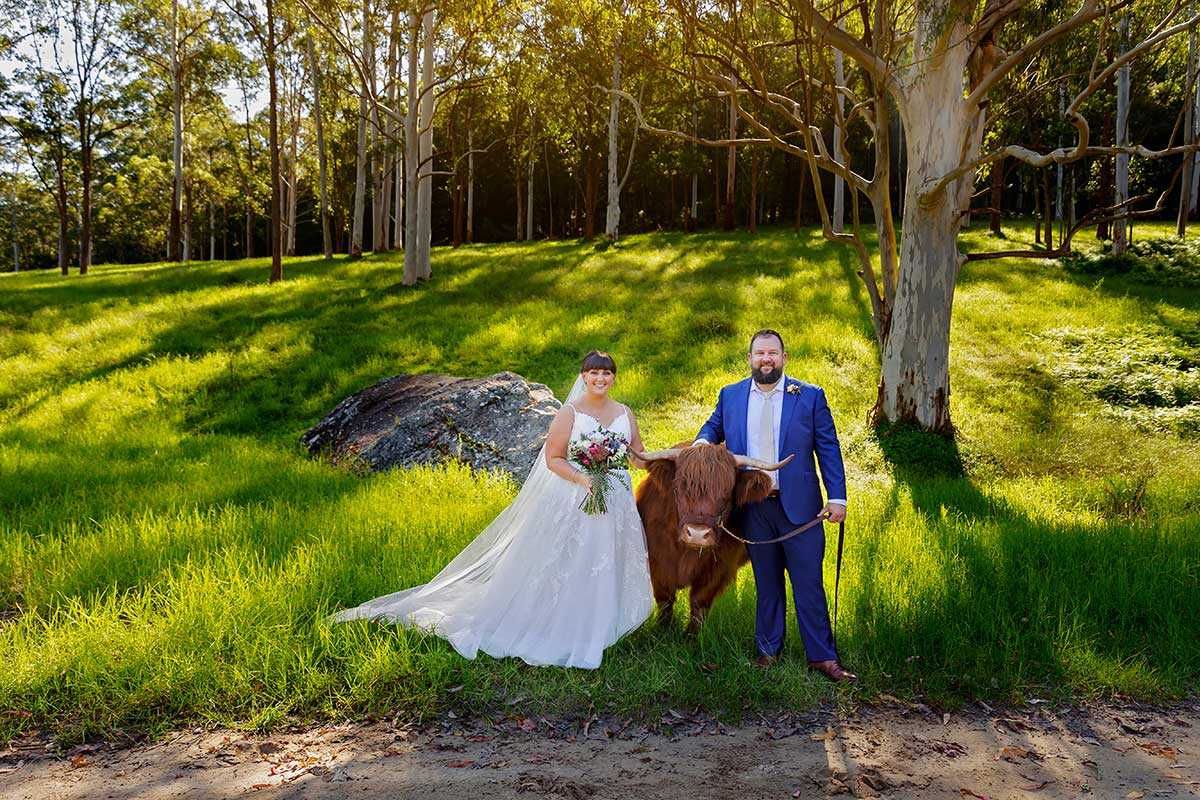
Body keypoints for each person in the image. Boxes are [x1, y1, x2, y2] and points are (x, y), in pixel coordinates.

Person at [327, 351, 654, 670]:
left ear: (613, 378)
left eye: (607, 373)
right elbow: (553, 459)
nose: (600, 378)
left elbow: (636, 456)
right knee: (571, 558)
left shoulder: (624, 413)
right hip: (576, 494)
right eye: (594, 372)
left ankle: (600, 620)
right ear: (584, 376)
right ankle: (561, 623)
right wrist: (583, 478)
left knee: (605, 558)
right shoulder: (570, 413)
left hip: (614, 497)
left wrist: (663, 458)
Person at [695, 329, 857, 682]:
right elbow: (712, 429)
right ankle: (768, 651)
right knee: (767, 583)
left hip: (803, 510)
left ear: (784, 358)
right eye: (759, 353)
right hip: (754, 508)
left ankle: (822, 657)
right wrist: (701, 445)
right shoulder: (731, 395)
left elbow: (828, 448)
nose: (766, 359)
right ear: (749, 359)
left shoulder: (810, 396)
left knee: (808, 584)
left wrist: (838, 497)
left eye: (772, 353)